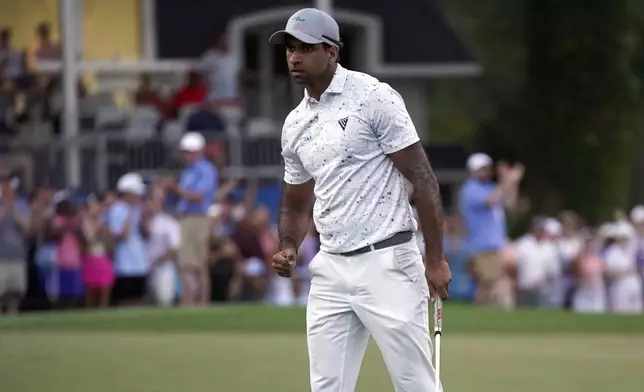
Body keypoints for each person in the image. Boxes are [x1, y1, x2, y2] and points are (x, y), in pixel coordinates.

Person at [268, 8, 450, 392]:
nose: (294, 56)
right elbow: (295, 205)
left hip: (387, 262)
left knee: (415, 384)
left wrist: (434, 258)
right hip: (331, 268)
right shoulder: (295, 123)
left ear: (332, 52)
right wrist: (288, 246)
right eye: (290, 48)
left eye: (306, 47)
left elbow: (423, 178)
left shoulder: (373, 97)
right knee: (326, 386)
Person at [458, 153, 523, 308]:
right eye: (482, 169)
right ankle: (499, 309)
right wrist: (508, 180)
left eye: (487, 168)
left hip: (496, 243)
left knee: (489, 283)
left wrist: (513, 183)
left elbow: (510, 203)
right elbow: (492, 200)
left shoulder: (490, 187)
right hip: (483, 245)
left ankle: (484, 310)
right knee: (495, 281)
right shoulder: (470, 189)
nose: (486, 172)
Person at [161, 132, 217, 306]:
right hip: (187, 217)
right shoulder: (189, 171)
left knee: (199, 262)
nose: (186, 155)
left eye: (189, 151)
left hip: (198, 217)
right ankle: (189, 301)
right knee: (185, 262)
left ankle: (201, 302)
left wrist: (175, 188)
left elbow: (198, 196)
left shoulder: (206, 169)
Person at [107, 173, 149, 306]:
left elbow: (145, 233)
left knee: (139, 298)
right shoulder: (117, 209)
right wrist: (130, 215)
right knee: (126, 300)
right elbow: (122, 236)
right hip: (125, 264)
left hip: (140, 262)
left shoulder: (137, 209)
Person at [143, 189, 180, 307]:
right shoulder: (142, 221)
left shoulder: (169, 223)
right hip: (145, 267)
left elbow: (175, 248)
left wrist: (159, 258)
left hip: (164, 268)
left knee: (164, 301)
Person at [80, 194, 115, 308]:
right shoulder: (84, 223)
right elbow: (90, 239)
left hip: (103, 257)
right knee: (90, 292)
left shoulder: (104, 223)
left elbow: (109, 242)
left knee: (105, 288)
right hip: (91, 258)